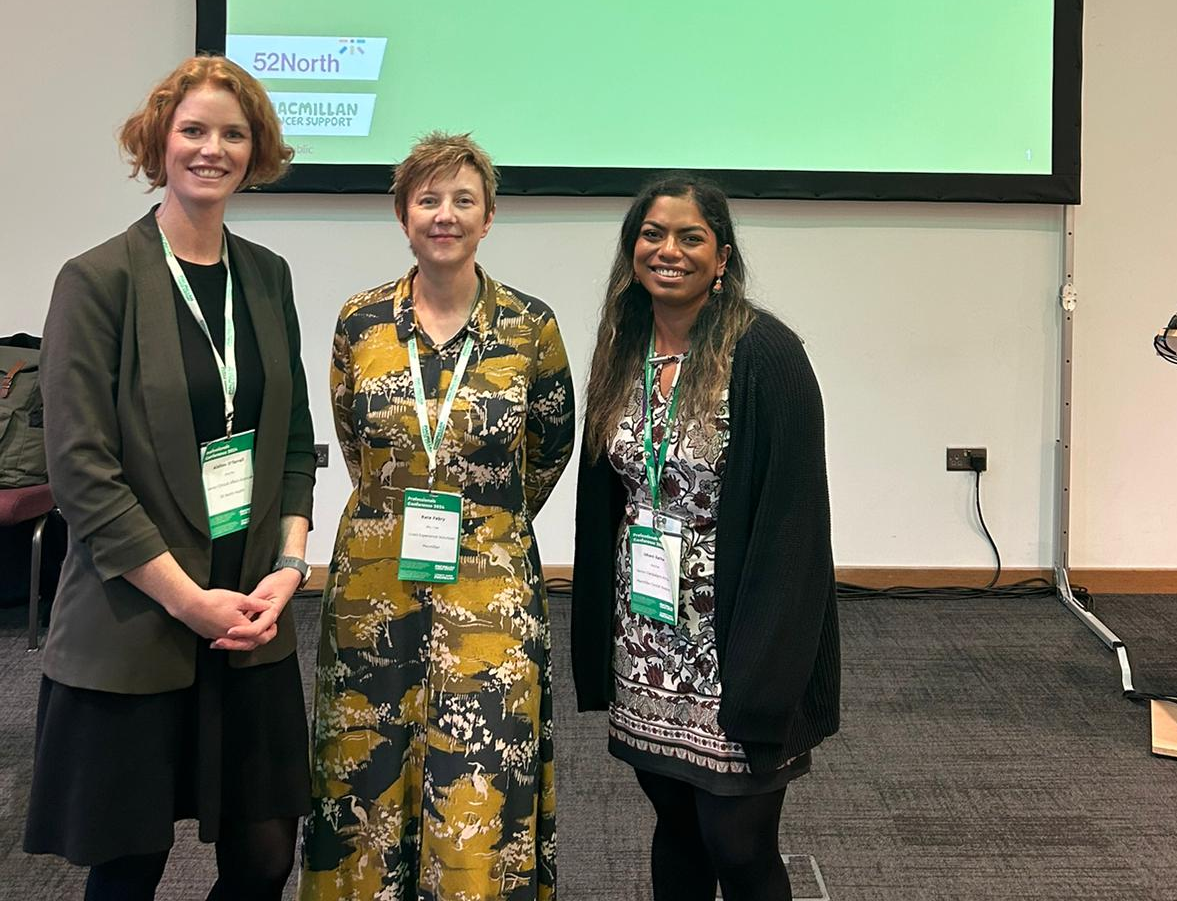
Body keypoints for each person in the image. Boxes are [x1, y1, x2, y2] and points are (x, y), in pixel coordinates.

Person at [24, 55, 318, 900]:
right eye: (194, 130)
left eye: (233, 133)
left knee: (265, 856)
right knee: (129, 864)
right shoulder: (98, 280)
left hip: (251, 613)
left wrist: (289, 569)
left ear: (254, 150)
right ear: (160, 140)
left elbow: (293, 441)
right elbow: (81, 472)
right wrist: (188, 600)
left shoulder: (267, 276)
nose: (212, 149)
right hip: (138, 614)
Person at [300, 132, 575, 901]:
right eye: (428, 199)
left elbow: (546, 455)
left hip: (490, 593)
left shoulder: (530, 327)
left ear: (489, 218)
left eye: (463, 200)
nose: (444, 215)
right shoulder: (360, 323)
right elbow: (359, 449)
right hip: (373, 591)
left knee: (480, 776)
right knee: (367, 775)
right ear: (403, 215)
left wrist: (485, 525)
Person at [571, 176, 839, 901]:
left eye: (691, 237)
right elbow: (611, 498)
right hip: (648, 638)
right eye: (653, 234)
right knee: (678, 826)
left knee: (739, 843)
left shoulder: (768, 355)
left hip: (737, 647)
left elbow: (796, 531)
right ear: (632, 252)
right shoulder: (623, 350)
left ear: (721, 257)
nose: (670, 251)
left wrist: (766, 681)